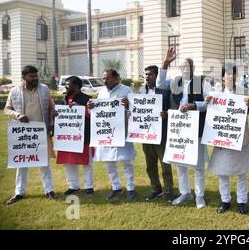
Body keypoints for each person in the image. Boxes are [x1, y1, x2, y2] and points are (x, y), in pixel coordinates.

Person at [157, 47, 211, 209]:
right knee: (180, 164)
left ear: (193, 68)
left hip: (197, 130)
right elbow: (160, 84)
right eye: (182, 67)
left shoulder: (203, 82)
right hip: (179, 130)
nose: (184, 70)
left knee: (198, 165)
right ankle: (185, 193)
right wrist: (166, 62)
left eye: (187, 67)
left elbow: (210, 104)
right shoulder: (175, 82)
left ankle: (199, 196)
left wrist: (193, 105)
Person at [4, 65, 56, 204]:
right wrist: (17, 114)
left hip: (41, 133)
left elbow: (52, 107)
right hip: (23, 134)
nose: (34, 79)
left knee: (45, 163)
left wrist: (52, 122)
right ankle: (19, 192)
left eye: (35, 76)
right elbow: (7, 109)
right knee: (21, 164)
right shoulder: (14, 91)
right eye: (31, 76)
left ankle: (49, 190)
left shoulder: (44, 89)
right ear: (24, 77)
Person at [206, 64, 249, 215]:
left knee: (242, 173)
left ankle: (242, 201)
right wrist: (208, 102)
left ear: (236, 76)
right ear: (222, 77)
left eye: (233, 74)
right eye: (227, 74)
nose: (230, 77)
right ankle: (225, 200)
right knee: (223, 172)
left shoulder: (244, 92)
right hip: (222, 139)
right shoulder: (215, 94)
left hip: (240, 139)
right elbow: (210, 113)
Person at [89, 69, 136, 202]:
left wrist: (128, 105)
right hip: (106, 132)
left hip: (122, 131)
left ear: (116, 78)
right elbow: (98, 110)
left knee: (127, 161)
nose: (105, 81)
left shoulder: (127, 90)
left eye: (108, 78)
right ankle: (116, 187)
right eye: (104, 78)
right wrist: (91, 106)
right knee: (109, 161)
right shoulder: (102, 92)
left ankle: (131, 188)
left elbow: (135, 109)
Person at [139, 65, 174, 203]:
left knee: (165, 163)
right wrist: (131, 113)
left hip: (162, 133)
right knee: (150, 164)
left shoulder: (165, 91)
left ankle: (169, 190)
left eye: (150, 74)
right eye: (145, 75)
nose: (147, 77)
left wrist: (167, 114)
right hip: (146, 133)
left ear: (157, 75)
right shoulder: (142, 91)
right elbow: (137, 109)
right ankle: (155, 188)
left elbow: (173, 108)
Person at [56, 76, 94, 196]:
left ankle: (89, 187)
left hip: (84, 136)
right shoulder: (64, 98)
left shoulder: (87, 99)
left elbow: (94, 116)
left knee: (86, 163)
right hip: (67, 136)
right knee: (68, 162)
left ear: (76, 86)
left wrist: (82, 109)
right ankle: (73, 185)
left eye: (68, 84)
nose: (66, 86)